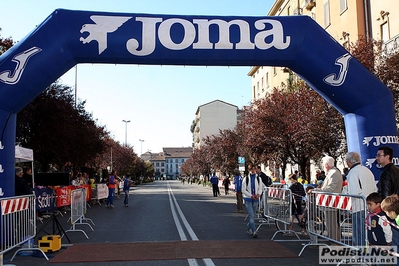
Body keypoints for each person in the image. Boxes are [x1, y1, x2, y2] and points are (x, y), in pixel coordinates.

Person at [345, 151, 378, 247]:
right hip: (370, 206)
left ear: (348, 162)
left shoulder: (353, 172)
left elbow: (354, 192)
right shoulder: (367, 170)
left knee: (359, 234)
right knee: (367, 233)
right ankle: (367, 255)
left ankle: (360, 255)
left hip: (358, 207)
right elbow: (374, 188)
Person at [307, 155, 342, 241]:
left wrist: (315, 190)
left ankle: (335, 243)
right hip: (329, 202)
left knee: (331, 225)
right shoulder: (332, 172)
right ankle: (334, 242)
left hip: (331, 202)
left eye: (323, 165)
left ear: (326, 165)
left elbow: (329, 189)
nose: (323, 167)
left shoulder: (333, 173)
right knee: (330, 225)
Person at [242, 164, 263, 238]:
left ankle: (249, 228)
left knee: (252, 216)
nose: (253, 170)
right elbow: (243, 190)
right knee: (251, 215)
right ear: (249, 170)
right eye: (251, 169)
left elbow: (260, 188)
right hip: (248, 199)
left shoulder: (258, 178)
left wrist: (258, 194)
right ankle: (254, 231)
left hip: (256, 199)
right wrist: (250, 195)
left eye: (254, 169)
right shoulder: (246, 179)